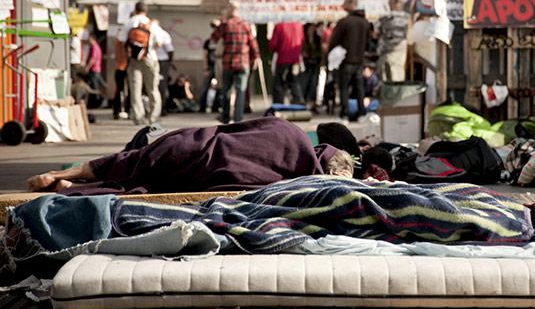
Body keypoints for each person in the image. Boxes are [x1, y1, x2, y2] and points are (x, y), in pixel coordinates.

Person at [26, 116, 353, 195]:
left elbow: (231, 127)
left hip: (191, 143)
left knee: (130, 161)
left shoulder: (289, 130)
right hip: (200, 173)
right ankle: (72, 189)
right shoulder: (293, 182)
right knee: (139, 188)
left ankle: (63, 174)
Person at [211, 1, 260, 124]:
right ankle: (238, 118)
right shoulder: (246, 24)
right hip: (243, 62)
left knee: (227, 90)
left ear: (229, 10)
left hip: (228, 62)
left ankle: (226, 117)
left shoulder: (225, 24)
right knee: (241, 90)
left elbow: (213, 39)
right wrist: (256, 58)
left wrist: (219, 26)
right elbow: (253, 43)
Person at [118, 2, 165, 125]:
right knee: (153, 89)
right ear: (146, 11)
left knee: (135, 90)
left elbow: (122, 42)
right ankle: (154, 117)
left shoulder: (128, 23)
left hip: (133, 60)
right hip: (150, 58)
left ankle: (138, 118)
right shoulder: (152, 24)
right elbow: (159, 43)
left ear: (135, 10)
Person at [328, 0, 371, 120]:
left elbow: (334, 41)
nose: (343, 5)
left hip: (346, 60)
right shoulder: (365, 22)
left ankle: (345, 113)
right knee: (359, 88)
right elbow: (368, 43)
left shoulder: (344, 22)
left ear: (352, 4)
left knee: (344, 87)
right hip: (359, 60)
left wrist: (332, 54)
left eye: (345, 2)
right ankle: (361, 113)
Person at [373, 0, 409, 82]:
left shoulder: (383, 17)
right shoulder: (408, 17)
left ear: (391, 3)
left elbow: (375, 35)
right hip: (402, 52)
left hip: (386, 52)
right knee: (398, 79)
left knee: (385, 80)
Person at [269, 21, 304, 105]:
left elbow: (273, 45)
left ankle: (278, 104)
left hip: (282, 58)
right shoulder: (298, 25)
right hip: (295, 59)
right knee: (294, 82)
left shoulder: (279, 26)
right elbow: (302, 40)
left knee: (279, 83)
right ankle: (298, 103)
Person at [299, 22, 322, 112]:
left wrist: (321, 60)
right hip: (306, 64)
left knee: (314, 84)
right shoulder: (303, 38)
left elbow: (320, 51)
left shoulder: (318, 38)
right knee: (304, 83)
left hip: (315, 64)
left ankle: (312, 103)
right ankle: (303, 102)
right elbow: (301, 50)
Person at [200, 20, 221, 113]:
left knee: (220, 87)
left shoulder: (222, 41)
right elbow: (205, 55)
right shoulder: (208, 42)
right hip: (211, 66)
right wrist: (206, 68)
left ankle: (217, 106)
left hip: (220, 66)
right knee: (206, 86)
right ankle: (202, 106)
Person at [155, 26, 175, 117]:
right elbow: (170, 50)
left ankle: (160, 108)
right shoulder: (162, 33)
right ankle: (161, 109)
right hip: (162, 61)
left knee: (156, 86)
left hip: (154, 61)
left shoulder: (157, 33)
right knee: (161, 85)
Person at [112, 36, 129, 120]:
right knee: (123, 90)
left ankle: (116, 112)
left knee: (119, 90)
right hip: (124, 67)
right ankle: (123, 111)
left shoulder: (118, 40)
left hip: (119, 67)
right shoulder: (122, 41)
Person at [84, 33, 103, 107]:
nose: (88, 40)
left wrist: (87, 67)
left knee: (94, 86)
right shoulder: (94, 47)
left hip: (94, 69)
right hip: (95, 69)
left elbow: (93, 59)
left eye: (89, 39)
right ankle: (94, 101)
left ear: (92, 39)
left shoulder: (94, 47)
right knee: (93, 85)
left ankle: (96, 102)